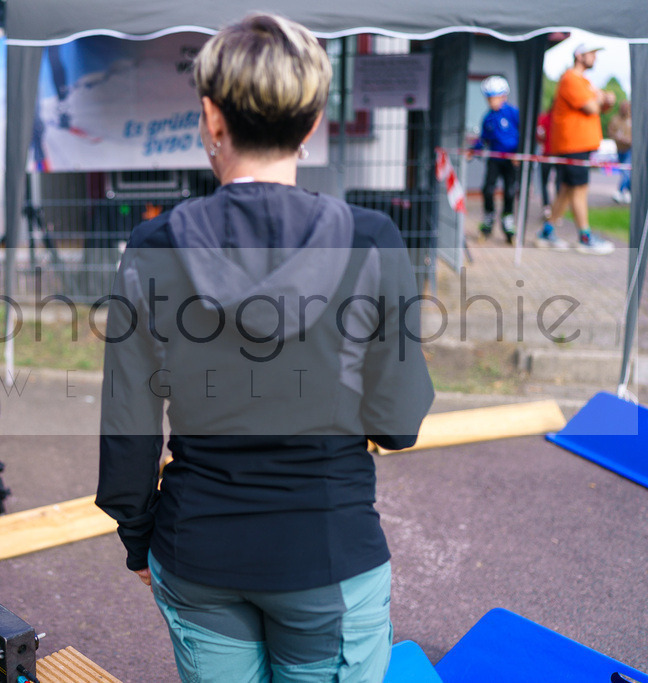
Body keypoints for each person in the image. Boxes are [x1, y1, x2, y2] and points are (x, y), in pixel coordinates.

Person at [96, 13, 434, 682]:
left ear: (211, 117)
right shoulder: (371, 240)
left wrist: (137, 536)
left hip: (197, 549)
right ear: (310, 125)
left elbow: (127, 425)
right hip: (328, 551)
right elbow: (398, 423)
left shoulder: (153, 247)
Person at [536, 43, 616, 255]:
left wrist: (602, 99)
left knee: (567, 189)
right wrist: (601, 97)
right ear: (580, 56)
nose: (595, 59)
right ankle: (584, 236)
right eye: (592, 54)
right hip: (573, 144)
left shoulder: (584, 81)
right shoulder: (571, 78)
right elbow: (591, 106)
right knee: (579, 189)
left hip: (580, 144)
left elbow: (602, 104)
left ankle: (547, 231)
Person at [470, 76, 520, 244]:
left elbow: (525, 134)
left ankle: (508, 222)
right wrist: (473, 150)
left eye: (495, 97)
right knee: (488, 189)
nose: (492, 101)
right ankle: (488, 219)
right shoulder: (488, 118)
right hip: (494, 159)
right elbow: (483, 140)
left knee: (510, 191)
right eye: (489, 98)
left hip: (511, 160)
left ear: (504, 96)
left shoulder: (513, 113)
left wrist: (519, 154)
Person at [607, 99, 632, 204]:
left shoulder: (632, 119)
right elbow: (610, 132)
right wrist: (617, 137)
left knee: (626, 170)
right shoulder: (615, 119)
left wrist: (629, 140)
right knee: (625, 171)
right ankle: (629, 192)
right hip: (620, 149)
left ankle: (620, 191)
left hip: (630, 149)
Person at [535, 105, 555, 219]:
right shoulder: (544, 118)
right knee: (545, 182)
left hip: (558, 155)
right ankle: (547, 207)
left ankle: (552, 208)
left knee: (557, 183)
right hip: (547, 154)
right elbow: (539, 136)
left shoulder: (560, 118)